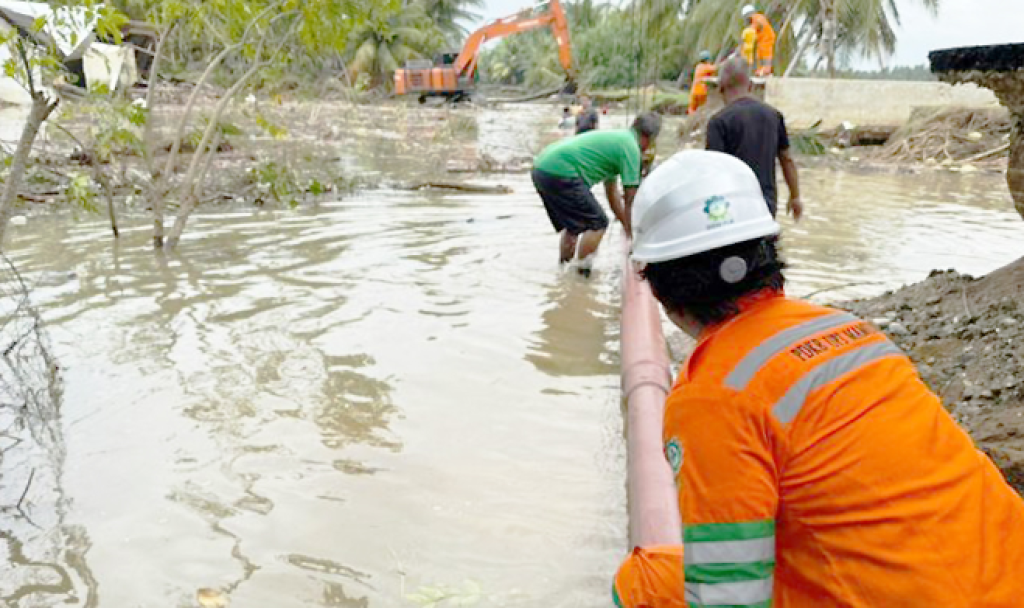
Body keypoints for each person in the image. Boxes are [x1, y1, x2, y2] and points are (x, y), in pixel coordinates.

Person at [613, 149, 1024, 607]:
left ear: (659, 285)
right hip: (1007, 576)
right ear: (768, 251)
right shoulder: (849, 330)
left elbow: (728, 594)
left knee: (644, 580)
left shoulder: (712, 394)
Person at [531, 112, 661, 276]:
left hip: (542, 168)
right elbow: (630, 199)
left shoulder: (619, 140)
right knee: (598, 223)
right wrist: (635, 236)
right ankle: (582, 274)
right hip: (562, 172)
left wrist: (626, 227)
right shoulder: (631, 148)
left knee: (573, 226)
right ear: (648, 138)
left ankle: (563, 271)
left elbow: (612, 194)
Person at [707, 57, 802, 220]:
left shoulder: (719, 121)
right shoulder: (774, 116)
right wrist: (795, 197)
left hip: (731, 208)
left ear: (721, 87)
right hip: (766, 206)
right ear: (750, 85)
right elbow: (787, 160)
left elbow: (713, 173)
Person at [742, 4, 775, 76]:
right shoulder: (755, 19)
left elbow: (757, 26)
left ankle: (766, 70)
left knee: (765, 55)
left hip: (766, 39)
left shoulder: (757, 18)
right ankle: (761, 70)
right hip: (761, 40)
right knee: (759, 55)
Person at [687, 51, 717, 116]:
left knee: (692, 110)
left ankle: (690, 122)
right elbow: (717, 68)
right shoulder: (707, 67)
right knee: (703, 109)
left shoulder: (698, 66)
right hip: (702, 92)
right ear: (708, 60)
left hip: (694, 91)